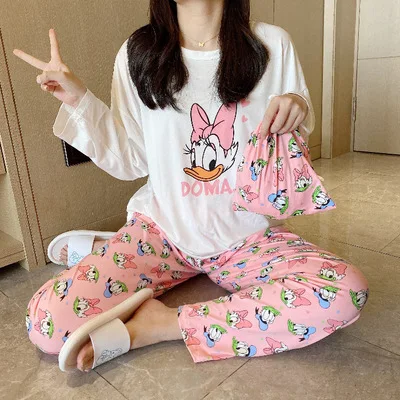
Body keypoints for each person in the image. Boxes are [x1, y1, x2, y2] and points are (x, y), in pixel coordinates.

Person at [14, 0, 368, 372]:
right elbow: (132, 159)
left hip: (246, 238)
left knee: (344, 291)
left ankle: (160, 325)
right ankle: (114, 247)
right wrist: (78, 101)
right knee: (46, 324)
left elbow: (291, 138)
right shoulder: (138, 51)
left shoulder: (271, 44)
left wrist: (298, 105)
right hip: (162, 233)